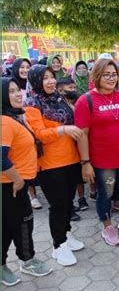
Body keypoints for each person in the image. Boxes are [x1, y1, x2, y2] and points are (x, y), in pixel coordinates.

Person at [75, 57, 119, 246]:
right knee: (105, 195)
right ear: (97, 75)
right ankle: (107, 227)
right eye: (106, 74)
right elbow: (82, 135)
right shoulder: (85, 101)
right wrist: (85, 162)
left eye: (114, 74)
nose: (111, 78)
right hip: (102, 161)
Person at [24, 65, 85, 267]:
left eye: (51, 77)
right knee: (58, 205)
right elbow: (39, 134)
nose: (50, 81)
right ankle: (58, 246)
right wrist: (64, 129)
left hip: (71, 159)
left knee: (69, 202)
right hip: (50, 164)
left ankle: (66, 235)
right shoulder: (32, 104)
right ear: (35, 81)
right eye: (45, 78)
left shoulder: (59, 98)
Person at [2, 77, 52, 286]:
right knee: (17, 224)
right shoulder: (4, 121)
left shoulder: (15, 117)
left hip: (16, 183)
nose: (17, 94)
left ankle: (24, 258)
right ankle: (23, 260)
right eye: (11, 91)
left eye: (17, 90)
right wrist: (18, 180)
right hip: (10, 185)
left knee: (18, 224)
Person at [10, 58, 42, 209]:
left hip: (32, 125)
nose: (25, 70)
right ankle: (32, 195)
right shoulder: (10, 85)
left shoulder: (34, 85)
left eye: (27, 67)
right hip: (17, 125)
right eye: (21, 67)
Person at [56, 77, 89, 216]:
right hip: (63, 148)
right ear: (60, 90)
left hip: (77, 144)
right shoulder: (57, 106)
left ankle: (81, 199)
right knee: (67, 178)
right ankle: (68, 207)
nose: (73, 90)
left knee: (78, 174)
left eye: (74, 87)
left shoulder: (77, 102)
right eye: (70, 88)